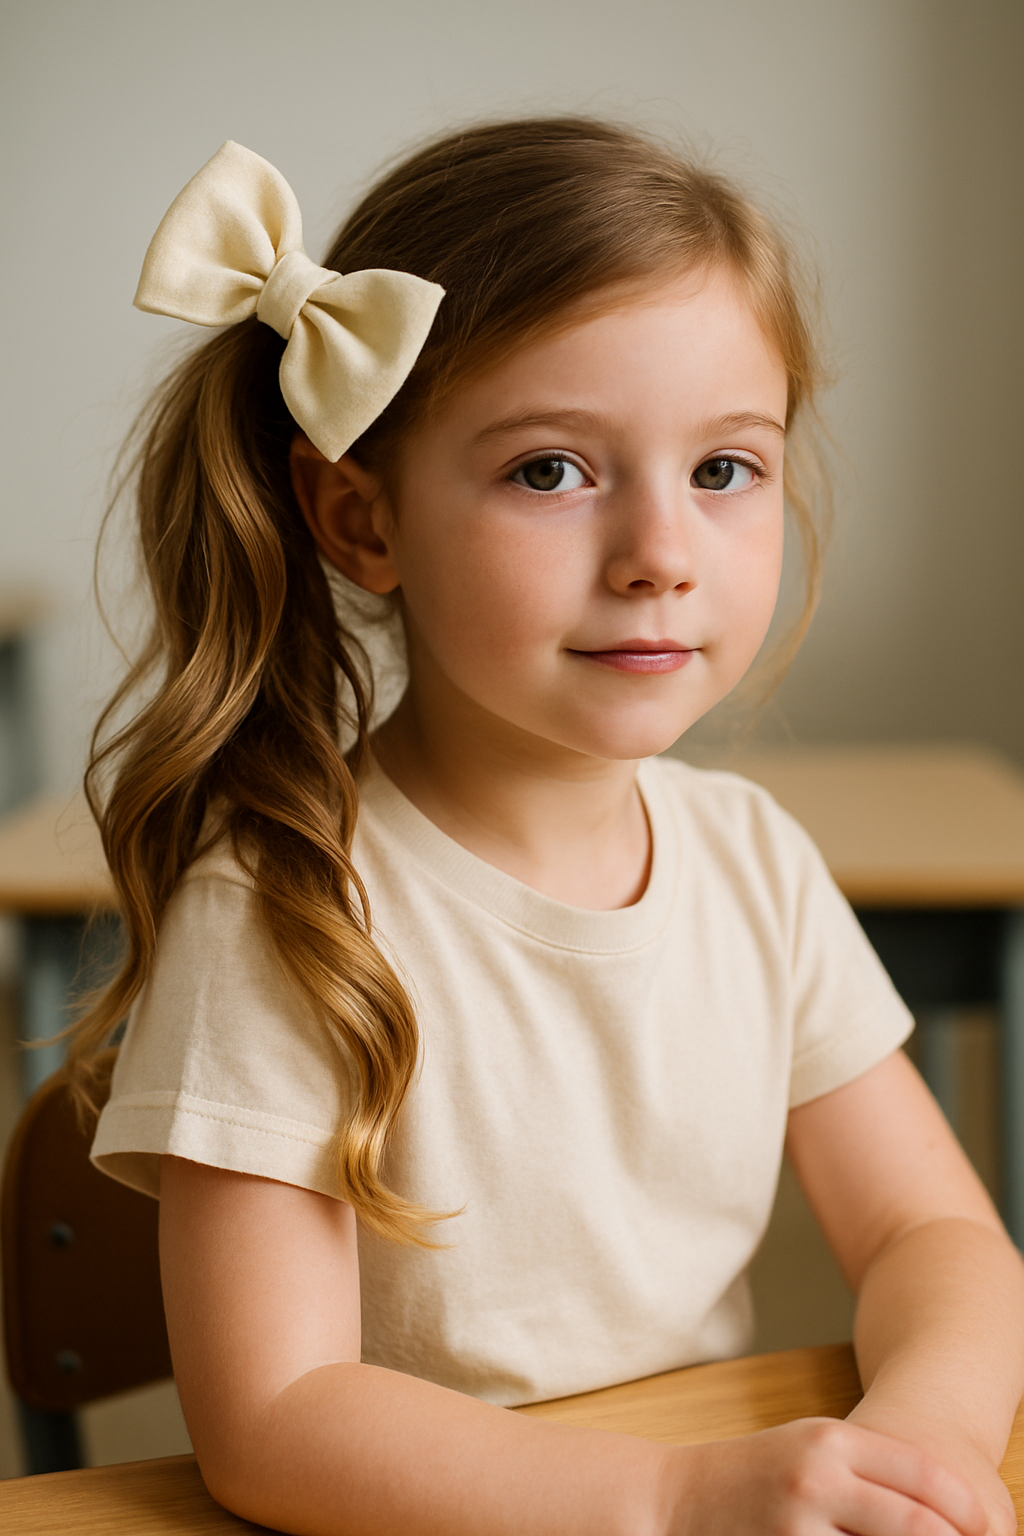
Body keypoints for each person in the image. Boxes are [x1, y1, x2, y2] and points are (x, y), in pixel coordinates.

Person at [71, 120, 1023, 1536]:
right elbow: (272, 1425)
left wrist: (924, 1443)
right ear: (362, 518)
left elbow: (932, 1234)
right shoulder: (284, 905)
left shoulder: (752, 859)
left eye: (723, 470)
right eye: (551, 472)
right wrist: (673, 1494)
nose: (659, 554)